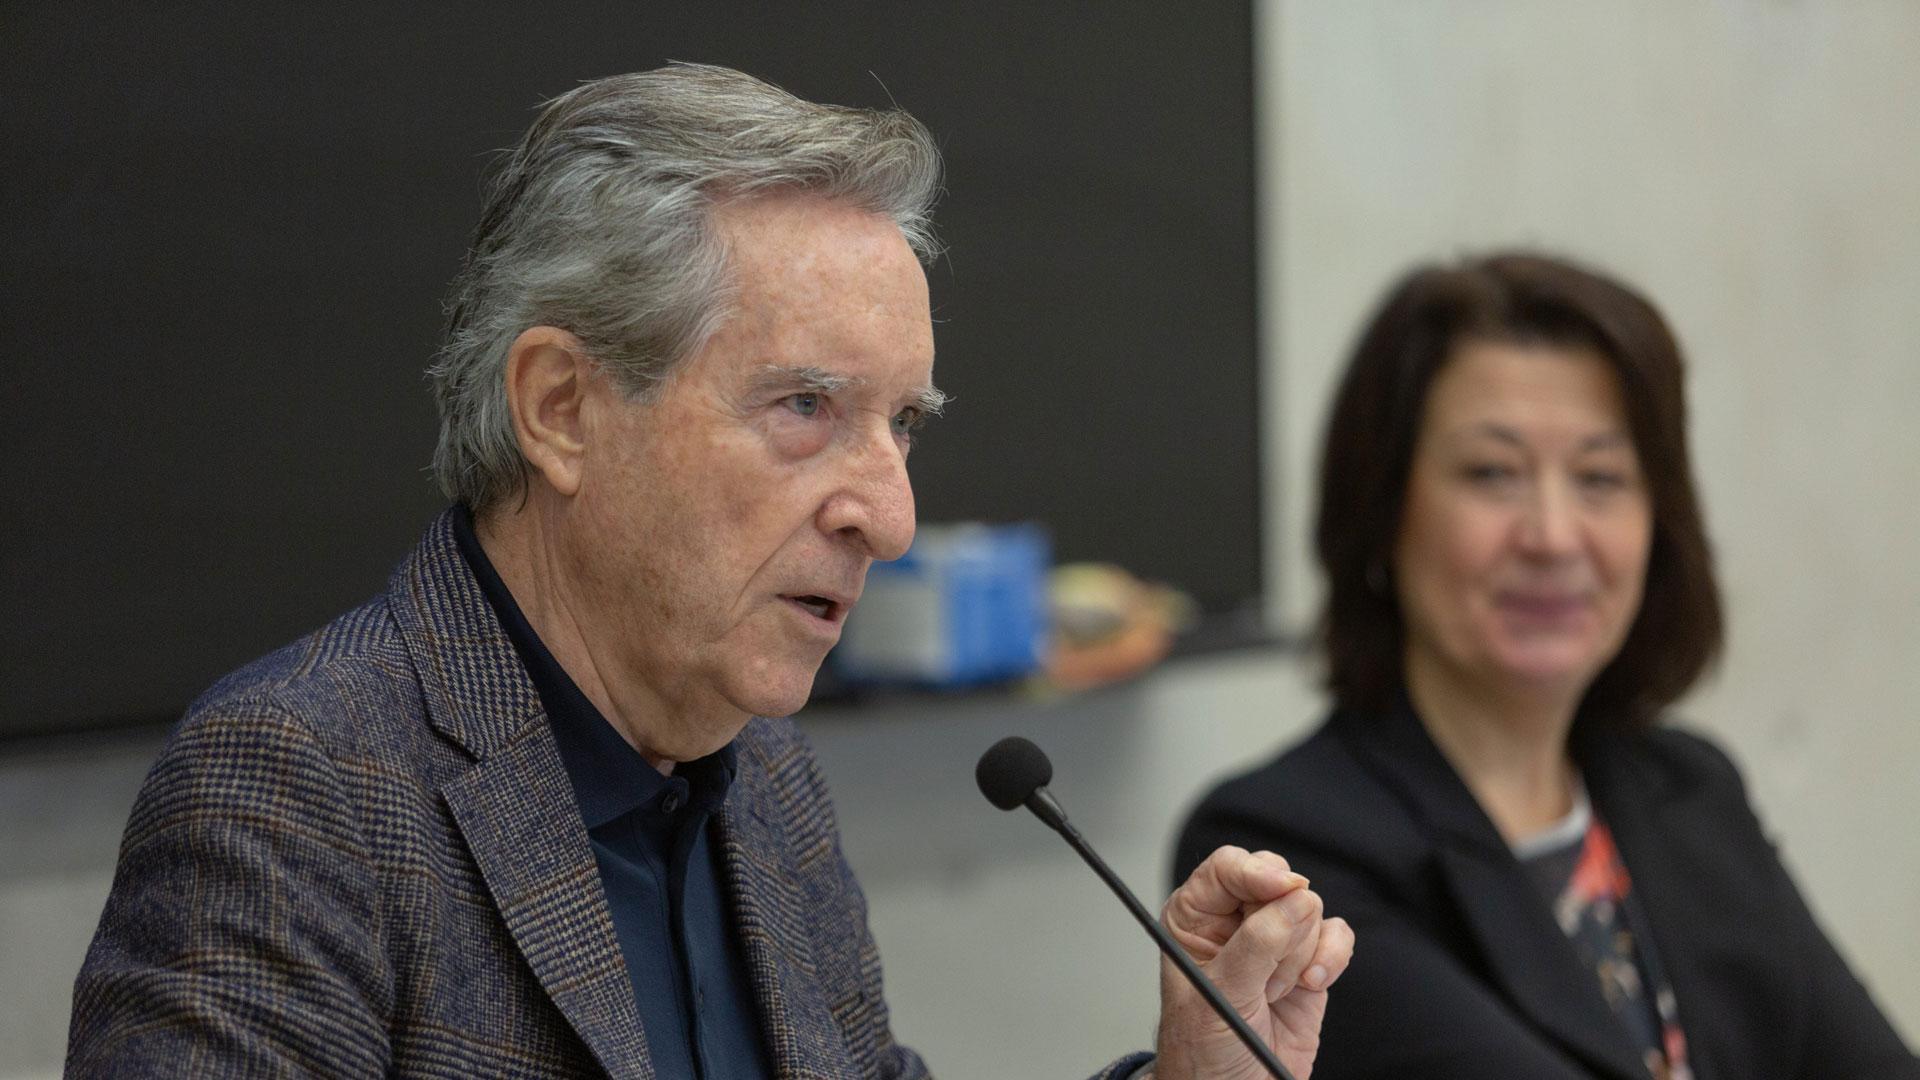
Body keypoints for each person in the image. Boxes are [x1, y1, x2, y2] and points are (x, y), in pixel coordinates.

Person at [67, 64, 1352, 1079]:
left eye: (901, 423)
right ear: (563, 408)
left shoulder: (761, 778)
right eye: (804, 406)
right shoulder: (293, 796)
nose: (890, 517)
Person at [1175, 252, 1917, 1079]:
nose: (1554, 536)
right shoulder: (1290, 850)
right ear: (1382, 510)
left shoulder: (1691, 790)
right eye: (1493, 473)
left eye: (1601, 477)